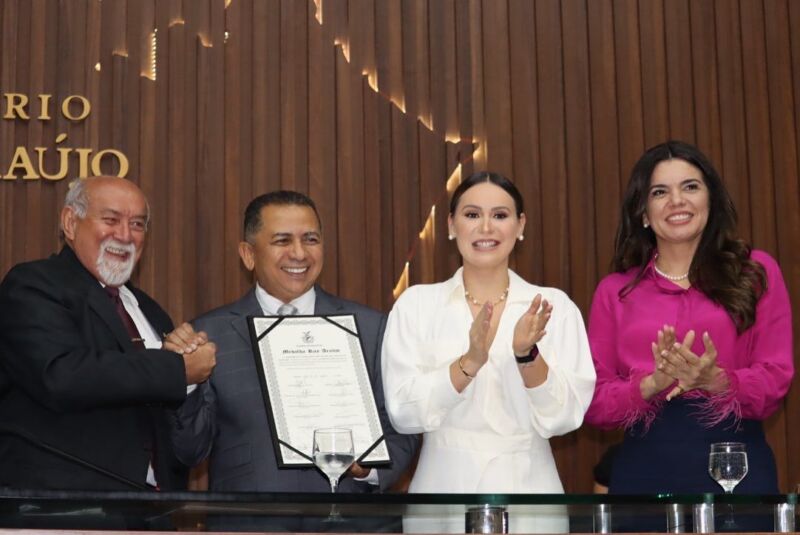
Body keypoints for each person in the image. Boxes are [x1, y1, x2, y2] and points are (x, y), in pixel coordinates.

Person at [170, 191, 418, 530]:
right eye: (282, 240)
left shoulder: (373, 327)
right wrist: (187, 379)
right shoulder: (209, 334)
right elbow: (190, 451)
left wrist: (370, 469)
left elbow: (403, 425)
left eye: (310, 239)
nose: (299, 253)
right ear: (248, 254)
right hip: (250, 525)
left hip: (353, 525)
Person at [381, 172, 596, 533]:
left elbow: (563, 417)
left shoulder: (553, 306)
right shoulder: (416, 305)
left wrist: (526, 355)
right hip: (441, 489)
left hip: (530, 491)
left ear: (520, 225)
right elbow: (404, 412)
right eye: (471, 215)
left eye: (500, 215)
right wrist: (469, 363)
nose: (485, 227)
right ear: (451, 225)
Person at [585, 140, 794, 498]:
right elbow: (594, 402)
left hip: (736, 468)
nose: (677, 201)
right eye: (660, 192)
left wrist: (716, 381)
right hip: (643, 472)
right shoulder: (615, 291)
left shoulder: (756, 272)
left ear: (710, 201)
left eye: (690, 187)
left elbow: (776, 377)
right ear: (643, 213)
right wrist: (651, 384)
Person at [0, 176, 216, 491]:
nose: (125, 236)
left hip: (154, 507)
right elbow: (61, 375)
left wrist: (191, 380)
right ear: (70, 222)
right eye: (111, 220)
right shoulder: (33, 285)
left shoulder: (150, 311)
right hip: (63, 505)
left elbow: (184, 444)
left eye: (137, 224)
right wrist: (176, 369)